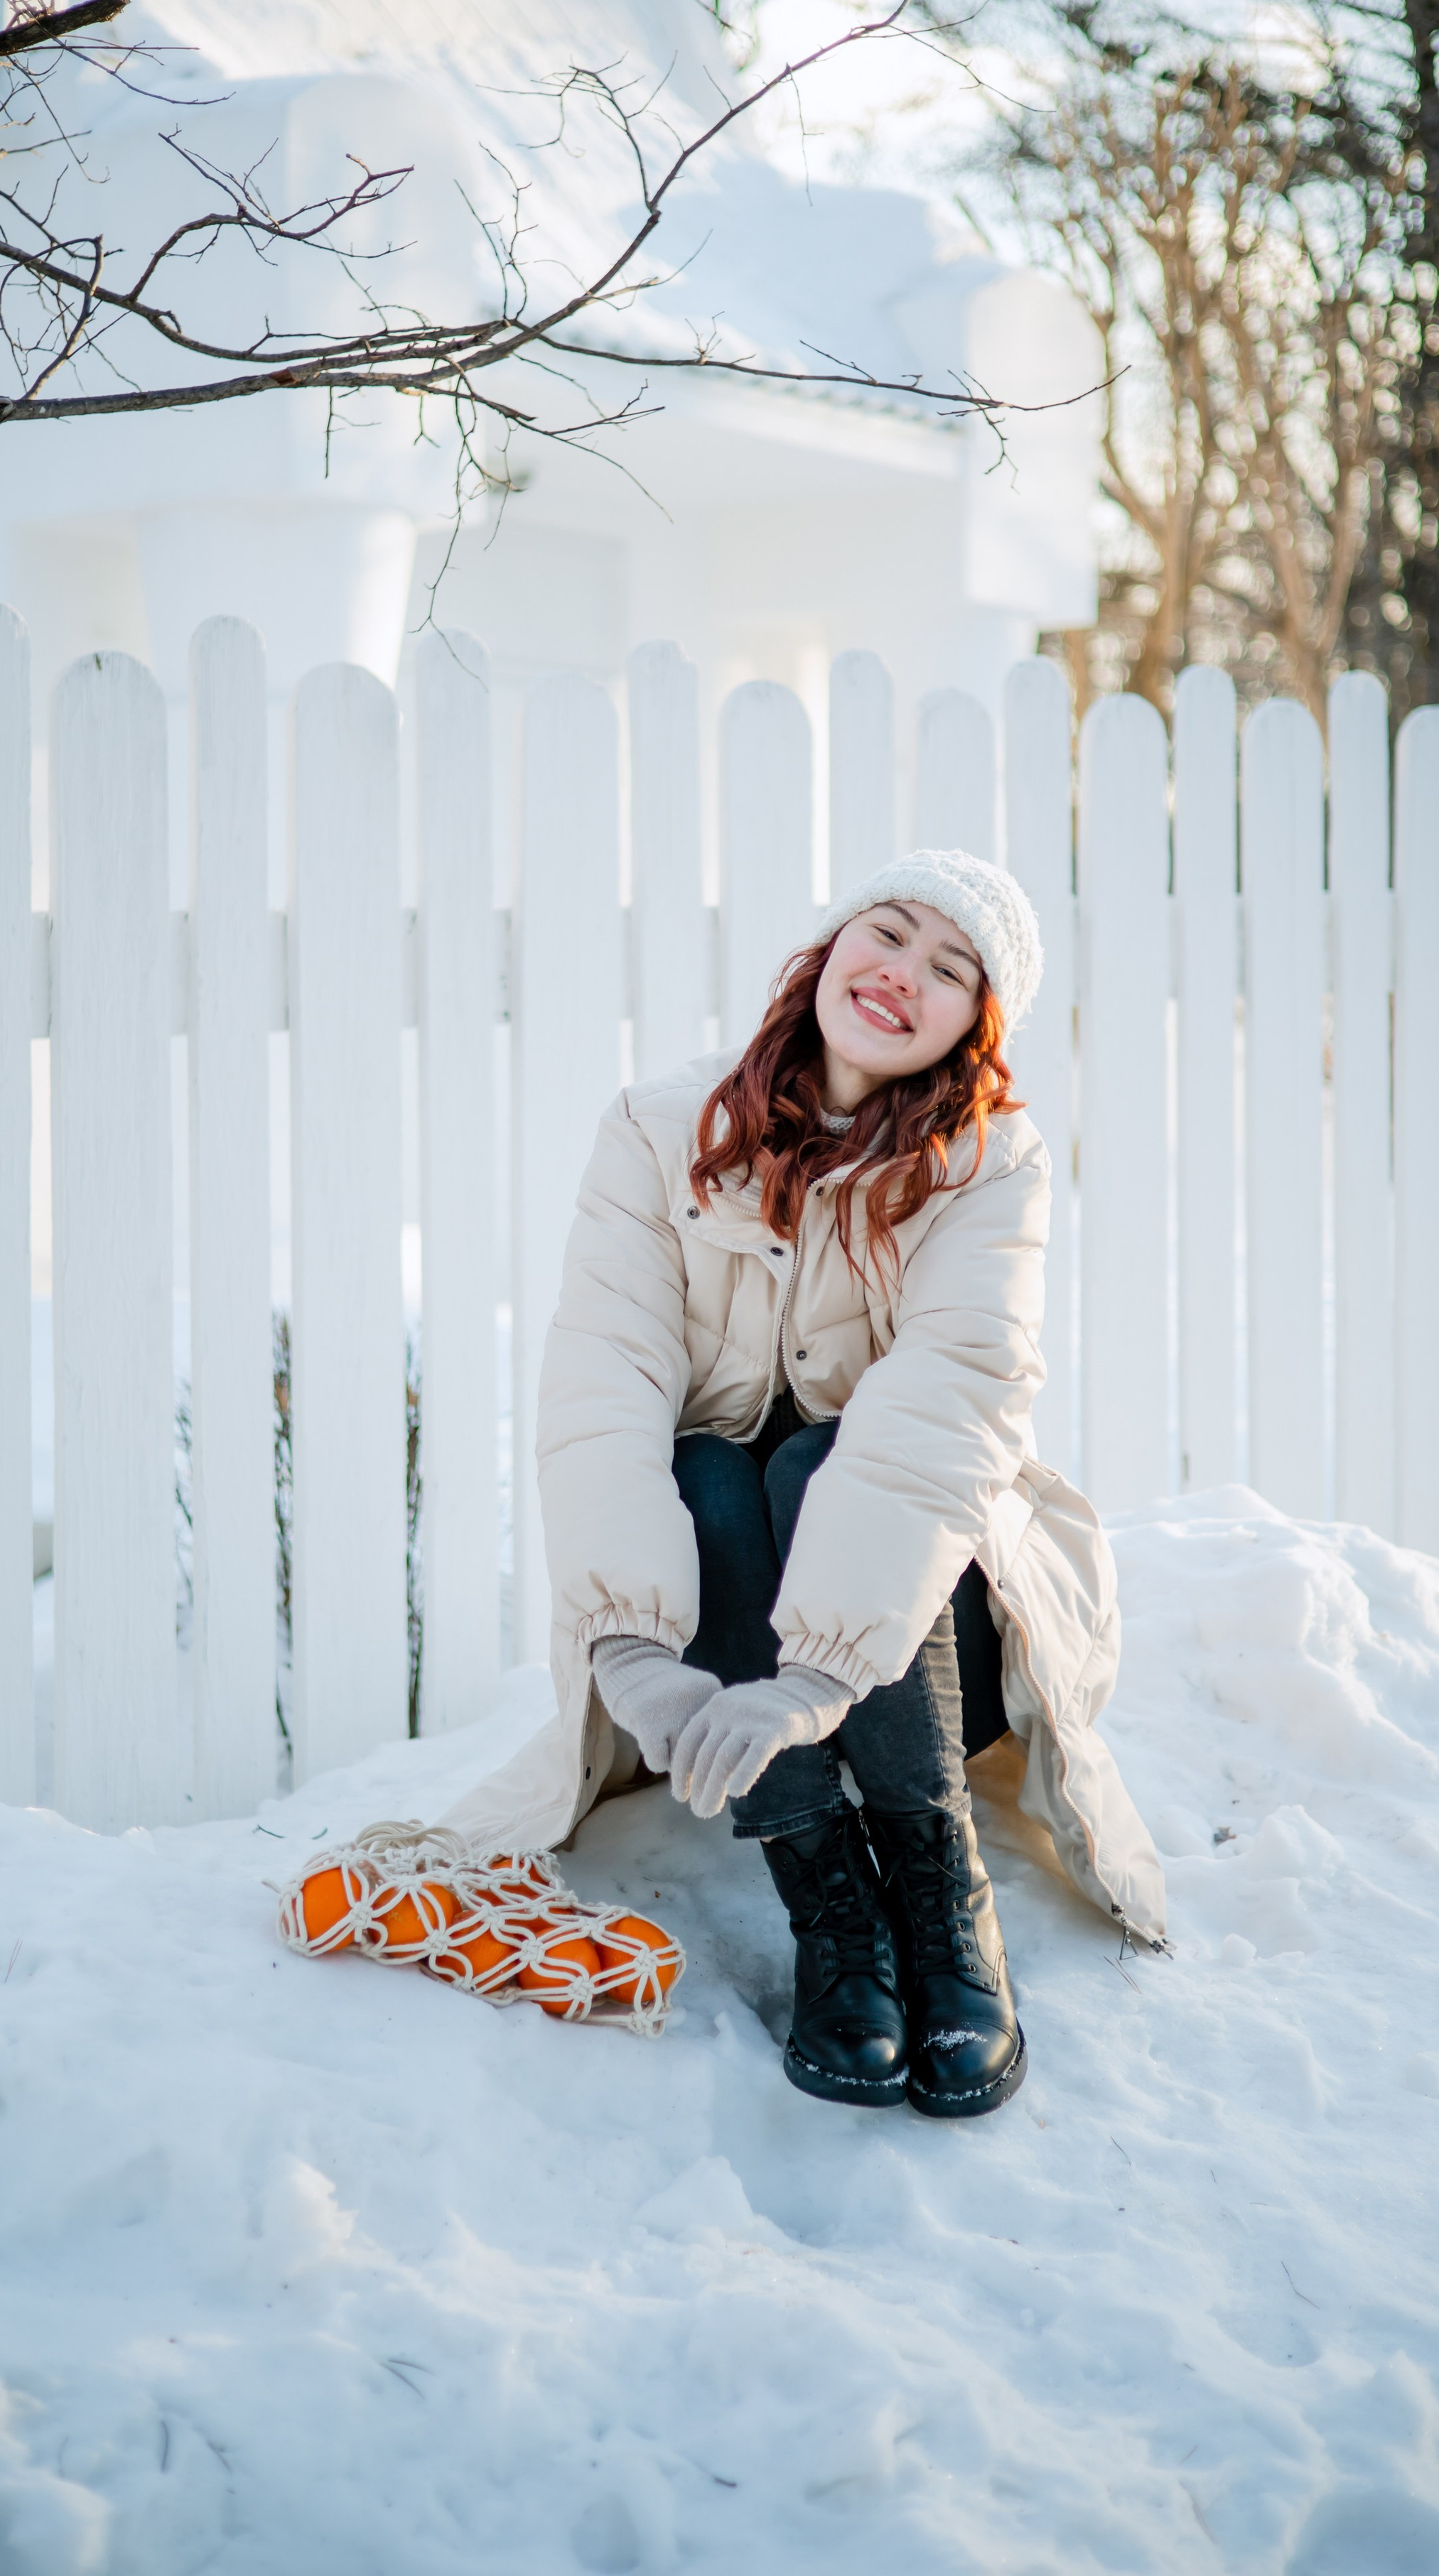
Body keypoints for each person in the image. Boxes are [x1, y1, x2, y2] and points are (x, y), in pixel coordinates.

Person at [446, 849, 1165, 2118]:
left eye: (951, 971)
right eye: (886, 933)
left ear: (971, 1030)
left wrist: (824, 1670)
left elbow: (946, 1407)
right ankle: (828, 1897)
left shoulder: (991, 1162)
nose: (904, 974)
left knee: (818, 1454)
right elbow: (601, 1379)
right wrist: (626, 1643)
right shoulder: (661, 1133)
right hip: (719, 1631)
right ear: (830, 950)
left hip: (931, 1629)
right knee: (710, 1468)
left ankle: (940, 1895)